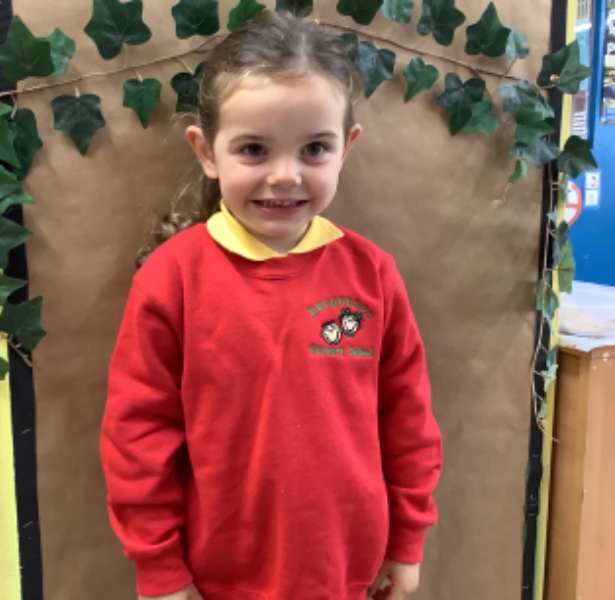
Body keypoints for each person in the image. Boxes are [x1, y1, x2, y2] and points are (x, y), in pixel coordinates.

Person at [100, 10, 442, 600]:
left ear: (346, 149)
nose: (285, 176)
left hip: (347, 571)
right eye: (254, 149)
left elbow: (408, 421)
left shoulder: (373, 275)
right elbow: (138, 440)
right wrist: (159, 568)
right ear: (207, 152)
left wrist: (407, 540)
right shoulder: (171, 281)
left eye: (314, 149)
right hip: (218, 578)